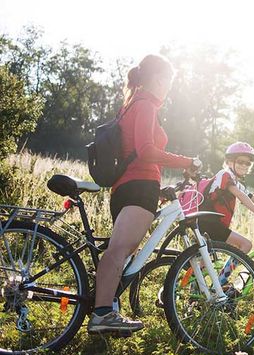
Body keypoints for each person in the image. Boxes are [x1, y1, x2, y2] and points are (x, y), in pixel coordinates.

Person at [87, 54, 202, 335]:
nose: (170, 87)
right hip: (138, 188)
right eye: (170, 81)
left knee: (122, 252)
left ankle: (108, 307)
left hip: (130, 187)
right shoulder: (146, 104)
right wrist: (187, 161)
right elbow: (146, 151)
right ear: (159, 78)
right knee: (119, 250)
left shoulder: (132, 104)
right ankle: (102, 313)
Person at [198, 142, 254, 253]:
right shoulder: (225, 175)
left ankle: (197, 270)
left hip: (214, 223)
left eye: (248, 163)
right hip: (209, 222)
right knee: (246, 245)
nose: (244, 166)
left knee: (206, 264)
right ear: (229, 162)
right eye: (240, 162)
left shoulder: (235, 182)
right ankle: (227, 271)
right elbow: (240, 195)